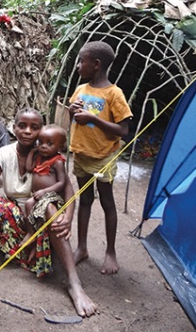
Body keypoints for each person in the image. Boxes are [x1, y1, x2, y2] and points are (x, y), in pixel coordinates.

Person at [0, 108, 98, 318]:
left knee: (47, 204)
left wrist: (68, 218)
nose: (28, 131)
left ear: (42, 130)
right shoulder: (5, 154)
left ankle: (74, 284)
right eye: (22, 126)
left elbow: (67, 189)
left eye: (34, 127)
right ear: (14, 127)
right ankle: (8, 246)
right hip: (19, 220)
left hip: (43, 225)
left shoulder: (50, 156)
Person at [69, 41, 132, 275]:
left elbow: (123, 130)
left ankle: (111, 252)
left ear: (96, 65)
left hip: (103, 157)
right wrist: (72, 111)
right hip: (82, 154)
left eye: (81, 61)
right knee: (84, 200)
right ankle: (82, 247)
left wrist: (93, 119)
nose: (77, 66)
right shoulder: (81, 90)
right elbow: (71, 114)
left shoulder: (114, 94)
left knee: (107, 203)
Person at [20, 124, 67, 261]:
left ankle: (35, 236)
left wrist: (45, 191)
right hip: (38, 196)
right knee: (28, 205)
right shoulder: (39, 157)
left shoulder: (57, 162)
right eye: (41, 142)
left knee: (31, 205)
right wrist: (32, 153)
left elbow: (61, 183)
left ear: (59, 147)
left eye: (49, 144)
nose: (43, 146)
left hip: (52, 196)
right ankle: (31, 233)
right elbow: (29, 168)